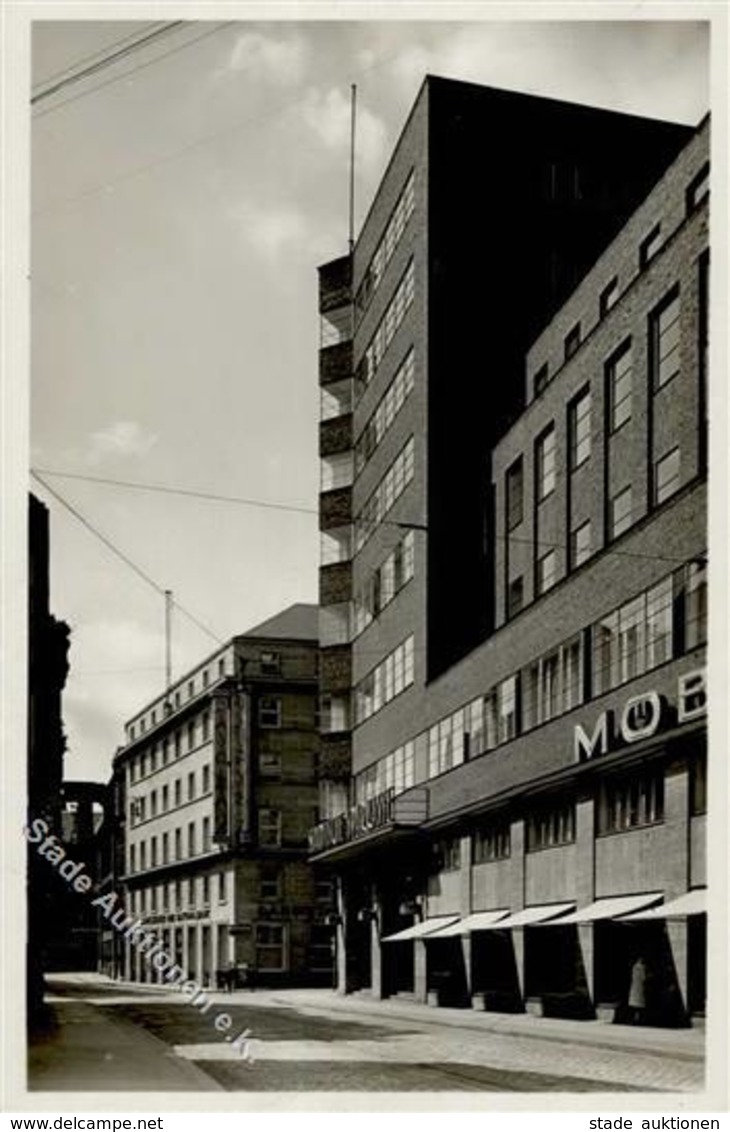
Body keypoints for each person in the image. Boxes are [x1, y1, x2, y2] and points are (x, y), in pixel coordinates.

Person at [628, 955, 648, 1025]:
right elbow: (644, 978)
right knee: (639, 1005)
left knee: (634, 1005)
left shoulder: (634, 967)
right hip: (640, 987)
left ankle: (633, 1019)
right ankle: (638, 1019)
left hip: (634, 986)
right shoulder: (642, 967)